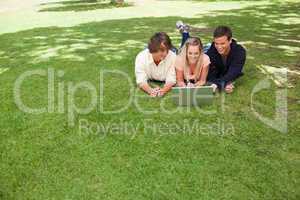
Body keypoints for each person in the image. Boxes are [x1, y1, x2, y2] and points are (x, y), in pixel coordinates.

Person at [176, 22, 246, 93]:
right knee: (187, 49)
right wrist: (220, 84)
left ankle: (185, 32)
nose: (219, 47)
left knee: (192, 50)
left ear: (230, 40)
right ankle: (185, 32)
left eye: (222, 43)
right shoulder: (212, 50)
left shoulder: (239, 52)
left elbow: (234, 72)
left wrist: (220, 84)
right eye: (216, 43)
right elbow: (209, 74)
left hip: (207, 54)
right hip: (205, 51)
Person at [135, 32, 176, 97]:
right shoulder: (141, 57)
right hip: (149, 52)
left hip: (173, 52)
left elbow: (171, 79)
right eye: (162, 51)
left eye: (166, 50)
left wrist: (163, 90)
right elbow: (140, 80)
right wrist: (150, 90)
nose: (165, 53)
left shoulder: (173, 57)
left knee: (179, 52)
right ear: (152, 51)